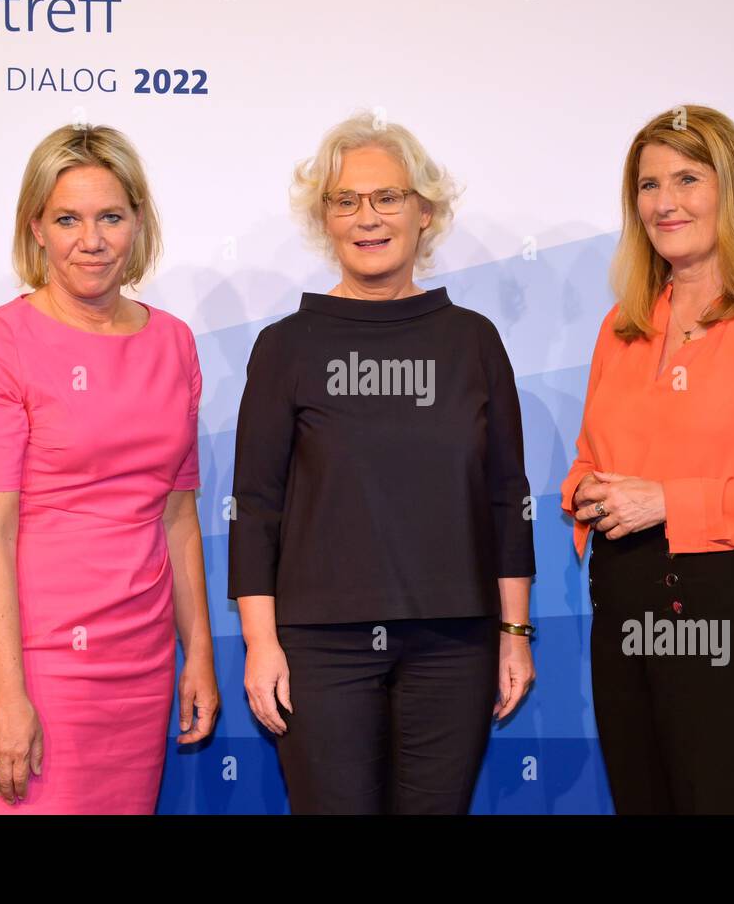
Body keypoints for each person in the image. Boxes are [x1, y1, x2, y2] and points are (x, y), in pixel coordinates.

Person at [228, 112, 536, 814]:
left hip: (454, 645)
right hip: (319, 650)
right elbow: (256, 508)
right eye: (346, 201)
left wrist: (514, 635)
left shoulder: (473, 342)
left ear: (424, 211)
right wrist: (260, 645)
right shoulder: (287, 347)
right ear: (325, 219)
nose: (367, 218)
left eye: (387, 197)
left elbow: (506, 498)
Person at [561, 104, 734, 814]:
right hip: (624, 597)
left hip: (731, 603)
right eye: (649, 184)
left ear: (732, 190)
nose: (665, 202)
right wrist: (585, 492)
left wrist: (669, 501)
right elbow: (586, 460)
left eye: (687, 179)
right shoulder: (622, 323)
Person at [0, 124, 219, 813]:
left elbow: (177, 516)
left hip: (141, 659)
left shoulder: (173, 343)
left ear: (138, 223)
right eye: (67, 218)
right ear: (36, 227)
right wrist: (9, 699)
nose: (90, 241)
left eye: (110, 218)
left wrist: (201, 654)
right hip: (36, 660)